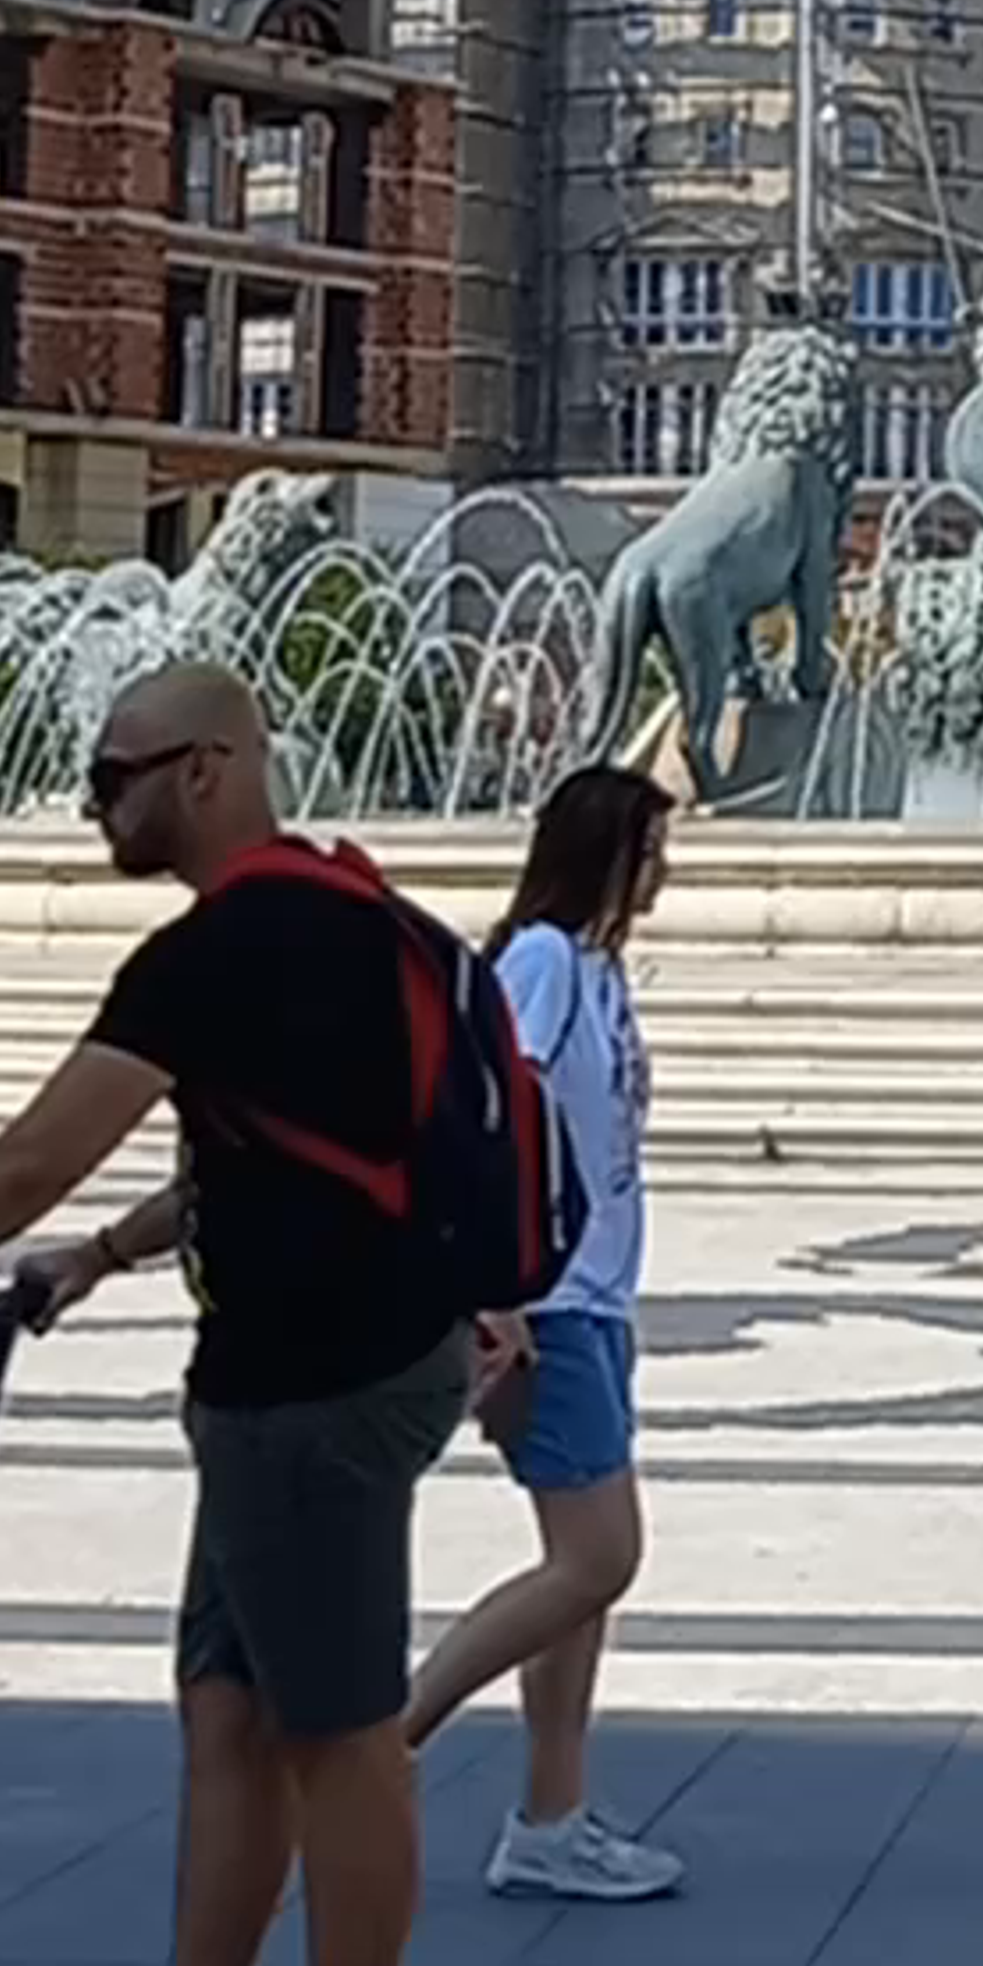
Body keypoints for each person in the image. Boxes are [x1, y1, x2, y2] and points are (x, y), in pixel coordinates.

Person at [0, 660, 495, 1966]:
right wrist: (107, 1257)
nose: (96, 800)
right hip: (309, 1369)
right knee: (231, 1711)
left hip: (316, 1389)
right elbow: (285, 1151)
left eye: (116, 772)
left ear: (208, 766)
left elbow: (45, 1145)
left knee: (339, 1737)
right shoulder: (345, 909)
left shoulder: (224, 947)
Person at [402, 765, 684, 1903]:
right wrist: (495, 1283)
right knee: (599, 1552)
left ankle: (551, 1815)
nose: (666, 868)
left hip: (597, 1296)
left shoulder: (601, 970)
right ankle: (388, 1740)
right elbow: (485, 1103)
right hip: (549, 1299)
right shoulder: (544, 962)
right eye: (653, 848)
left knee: (585, 1577)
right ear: (607, 851)